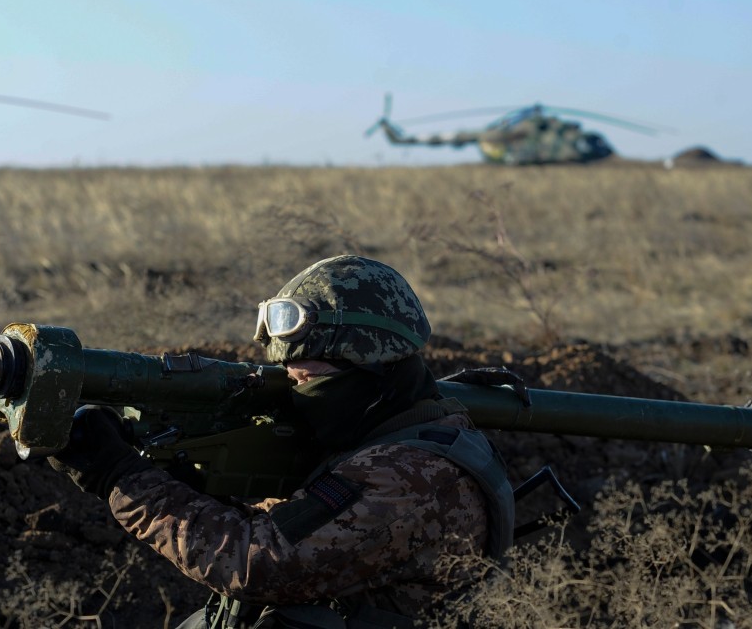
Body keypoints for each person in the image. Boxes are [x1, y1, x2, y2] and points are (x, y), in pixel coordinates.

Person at [48, 255, 515, 628]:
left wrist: (124, 480)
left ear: (373, 366)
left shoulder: (411, 475)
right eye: (289, 375)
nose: (296, 390)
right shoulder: (386, 434)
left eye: (309, 376)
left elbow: (259, 563)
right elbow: (292, 525)